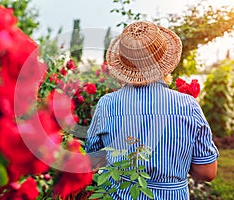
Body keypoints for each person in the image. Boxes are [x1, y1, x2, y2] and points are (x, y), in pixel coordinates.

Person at [85, 21, 218, 199]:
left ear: (124, 65)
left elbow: (93, 160)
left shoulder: (106, 104)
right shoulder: (187, 106)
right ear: (164, 61)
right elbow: (207, 172)